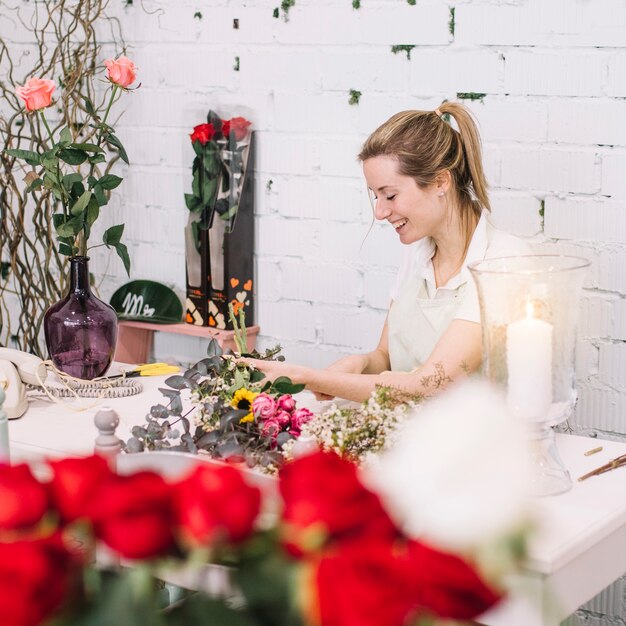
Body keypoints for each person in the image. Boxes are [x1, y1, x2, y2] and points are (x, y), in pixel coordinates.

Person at [246, 102, 531, 403]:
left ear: (440, 182)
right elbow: (386, 357)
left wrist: (307, 378)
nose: (380, 212)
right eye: (376, 196)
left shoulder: (504, 263)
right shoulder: (417, 255)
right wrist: (364, 363)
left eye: (390, 195)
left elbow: (431, 384)